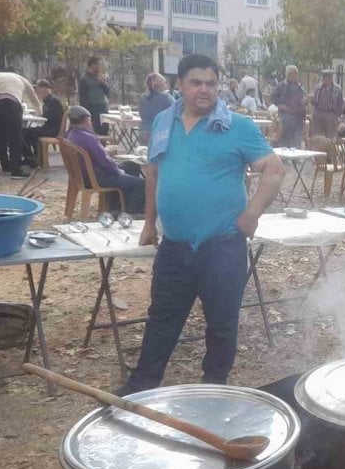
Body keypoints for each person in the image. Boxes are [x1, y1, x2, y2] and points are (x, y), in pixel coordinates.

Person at [115, 54, 285, 394]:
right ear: (180, 84)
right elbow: (154, 173)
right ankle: (142, 384)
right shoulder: (164, 122)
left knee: (221, 322)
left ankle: (214, 388)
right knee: (162, 318)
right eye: (196, 83)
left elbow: (274, 169)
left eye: (211, 83)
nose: (204, 90)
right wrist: (149, 222)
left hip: (222, 244)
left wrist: (252, 214)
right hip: (175, 244)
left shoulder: (237, 126)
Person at [65, 106, 145, 214]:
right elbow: (105, 161)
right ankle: (131, 213)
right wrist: (118, 171)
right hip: (97, 177)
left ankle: (116, 207)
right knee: (140, 184)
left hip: (82, 176)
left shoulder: (70, 135)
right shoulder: (88, 138)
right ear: (86, 120)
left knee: (131, 166)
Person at [0, 71, 41, 179]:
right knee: (15, 137)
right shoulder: (23, 80)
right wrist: (39, 111)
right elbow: (33, 96)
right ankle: (16, 170)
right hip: (10, 102)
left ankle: (5, 166)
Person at [22, 79, 63, 167]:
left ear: (45, 90)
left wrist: (40, 117)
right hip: (48, 127)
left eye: (38, 90)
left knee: (27, 132)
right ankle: (32, 158)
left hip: (53, 129)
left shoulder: (53, 101)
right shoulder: (47, 101)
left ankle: (34, 159)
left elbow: (53, 118)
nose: (37, 92)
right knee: (25, 131)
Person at [271, 65, 306, 147]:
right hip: (285, 116)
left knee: (296, 141)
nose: (293, 76)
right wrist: (281, 105)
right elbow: (272, 97)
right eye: (291, 74)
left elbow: (302, 98)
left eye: (295, 74)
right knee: (284, 140)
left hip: (298, 118)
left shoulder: (299, 86)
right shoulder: (281, 86)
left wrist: (304, 101)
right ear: (287, 74)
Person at [138, 72, 175, 145]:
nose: (166, 84)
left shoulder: (142, 98)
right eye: (164, 82)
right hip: (160, 132)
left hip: (143, 131)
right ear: (161, 84)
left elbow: (141, 114)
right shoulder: (166, 98)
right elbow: (177, 109)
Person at [78, 56, 111, 135]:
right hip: (92, 109)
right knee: (94, 132)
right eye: (97, 64)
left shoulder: (100, 78)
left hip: (103, 108)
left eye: (99, 65)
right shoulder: (84, 79)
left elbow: (107, 91)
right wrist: (85, 113)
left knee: (104, 130)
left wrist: (102, 82)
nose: (99, 67)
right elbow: (83, 98)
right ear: (92, 65)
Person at [310, 70, 344, 139]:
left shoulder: (337, 89)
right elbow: (314, 101)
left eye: (327, 77)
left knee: (329, 138)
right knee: (317, 137)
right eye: (324, 77)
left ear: (331, 78)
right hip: (318, 114)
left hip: (331, 115)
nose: (325, 79)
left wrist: (337, 116)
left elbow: (340, 103)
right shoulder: (318, 87)